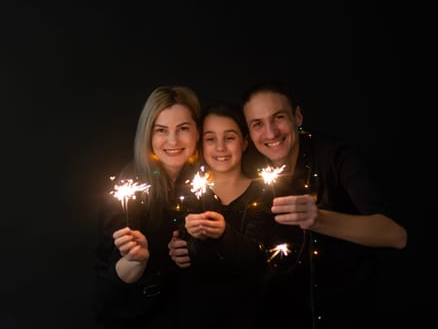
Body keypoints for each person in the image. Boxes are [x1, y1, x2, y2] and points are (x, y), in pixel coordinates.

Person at [241, 80, 408, 329]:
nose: (271, 133)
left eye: (278, 117)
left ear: (297, 116)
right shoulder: (249, 169)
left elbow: (396, 235)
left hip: (349, 315)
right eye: (257, 124)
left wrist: (319, 219)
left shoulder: (335, 157)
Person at [168, 102, 302, 328]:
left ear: (245, 141)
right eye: (211, 139)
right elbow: (191, 261)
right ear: (201, 144)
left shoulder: (266, 193)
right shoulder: (189, 193)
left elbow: (260, 260)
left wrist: (224, 233)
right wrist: (189, 240)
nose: (220, 147)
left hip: (254, 314)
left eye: (229, 137)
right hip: (198, 315)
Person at [93, 85, 202, 329]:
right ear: (147, 136)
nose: (173, 141)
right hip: (137, 316)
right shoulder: (130, 186)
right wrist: (136, 261)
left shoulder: (206, 180)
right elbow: (112, 278)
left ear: (197, 131)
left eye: (183, 128)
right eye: (161, 130)